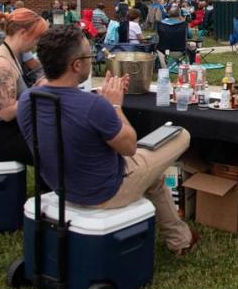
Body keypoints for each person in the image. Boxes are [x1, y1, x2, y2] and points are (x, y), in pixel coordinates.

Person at [17, 26, 197, 255]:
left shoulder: (27, 100)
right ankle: (180, 241)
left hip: (62, 185)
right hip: (106, 190)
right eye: (89, 56)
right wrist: (115, 106)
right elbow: (129, 147)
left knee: (153, 177)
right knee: (181, 134)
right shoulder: (94, 106)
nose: (92, 61)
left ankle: (181, 240)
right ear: (76, 65)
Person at [0, 9, 49, 164]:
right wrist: (37, 94)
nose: (36, 44)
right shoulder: (1, 65)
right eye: (36, 38)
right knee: (55, 148)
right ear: (23, 33)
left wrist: (36, 88)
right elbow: (6, 112)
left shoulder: (11, 56)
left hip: (5, 131)